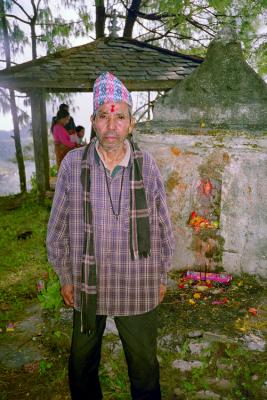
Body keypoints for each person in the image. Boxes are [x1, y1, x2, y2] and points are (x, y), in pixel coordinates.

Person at [46, 71, 174, 400]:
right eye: (104, 116)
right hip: (88, 283)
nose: (112, 125)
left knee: (145, 368)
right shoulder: (73, 166)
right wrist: (65, 275)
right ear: (93, 122)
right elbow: (57, 227)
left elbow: (162, 227)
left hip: (138, 283)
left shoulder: (147, 167)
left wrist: (161, 275)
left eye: (120, 116)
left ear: (131, 123)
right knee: (81, 365)